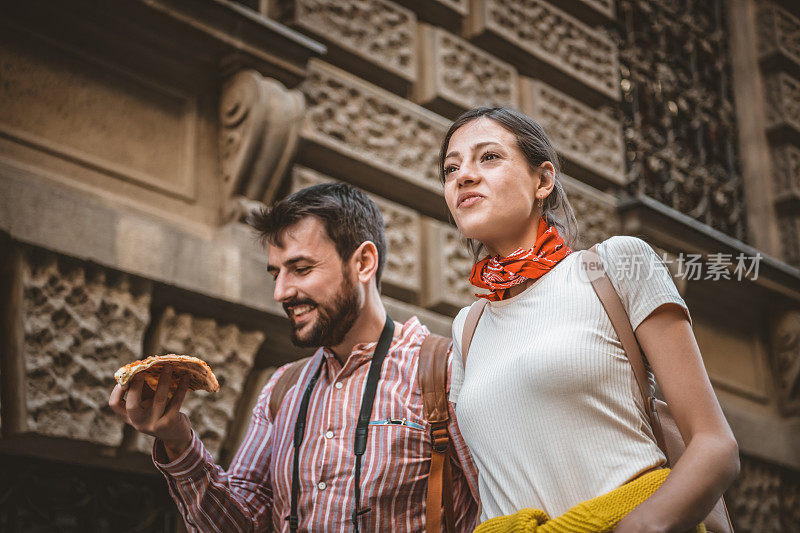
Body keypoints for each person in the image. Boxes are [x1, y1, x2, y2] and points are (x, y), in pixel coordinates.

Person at [109, 183, 479, 532]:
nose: (281, 292)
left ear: (364, 263)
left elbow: (506, 512)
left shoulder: (445, 370)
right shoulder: (281, 388)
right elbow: (238, 526)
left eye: (301, 269)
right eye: (276, 273)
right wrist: (176, 440)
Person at [440, 107, 739, 532]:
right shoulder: (467, 327)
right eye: (451, 169)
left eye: (488, 157)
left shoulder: (617, 263)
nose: (463, 176)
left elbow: (715, 446)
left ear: (543, 181)